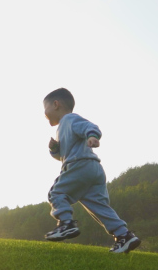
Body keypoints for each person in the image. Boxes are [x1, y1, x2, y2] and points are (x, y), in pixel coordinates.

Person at [43, 88, 141, 253]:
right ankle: (124, 235)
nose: (44, 113)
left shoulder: (69, 119)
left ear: (56, 104)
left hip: (79, 165)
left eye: (45, 108)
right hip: (92, 169)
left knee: (56, 193)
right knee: (98, 206)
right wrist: (55, 150)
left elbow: (89, 126)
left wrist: (92, 136)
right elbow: (63, 156)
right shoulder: (62, 128)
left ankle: (66, 224)